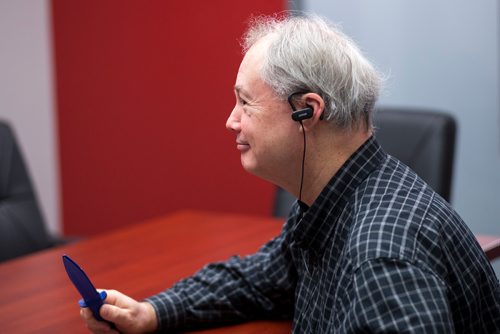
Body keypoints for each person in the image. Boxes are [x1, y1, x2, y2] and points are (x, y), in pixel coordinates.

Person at [81, 13, 500, 333]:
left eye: (246, 103)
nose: (231, 121)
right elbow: (263, 278)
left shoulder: (382, 259)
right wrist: (152, 312)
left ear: (308, 111)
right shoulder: (335, 199)